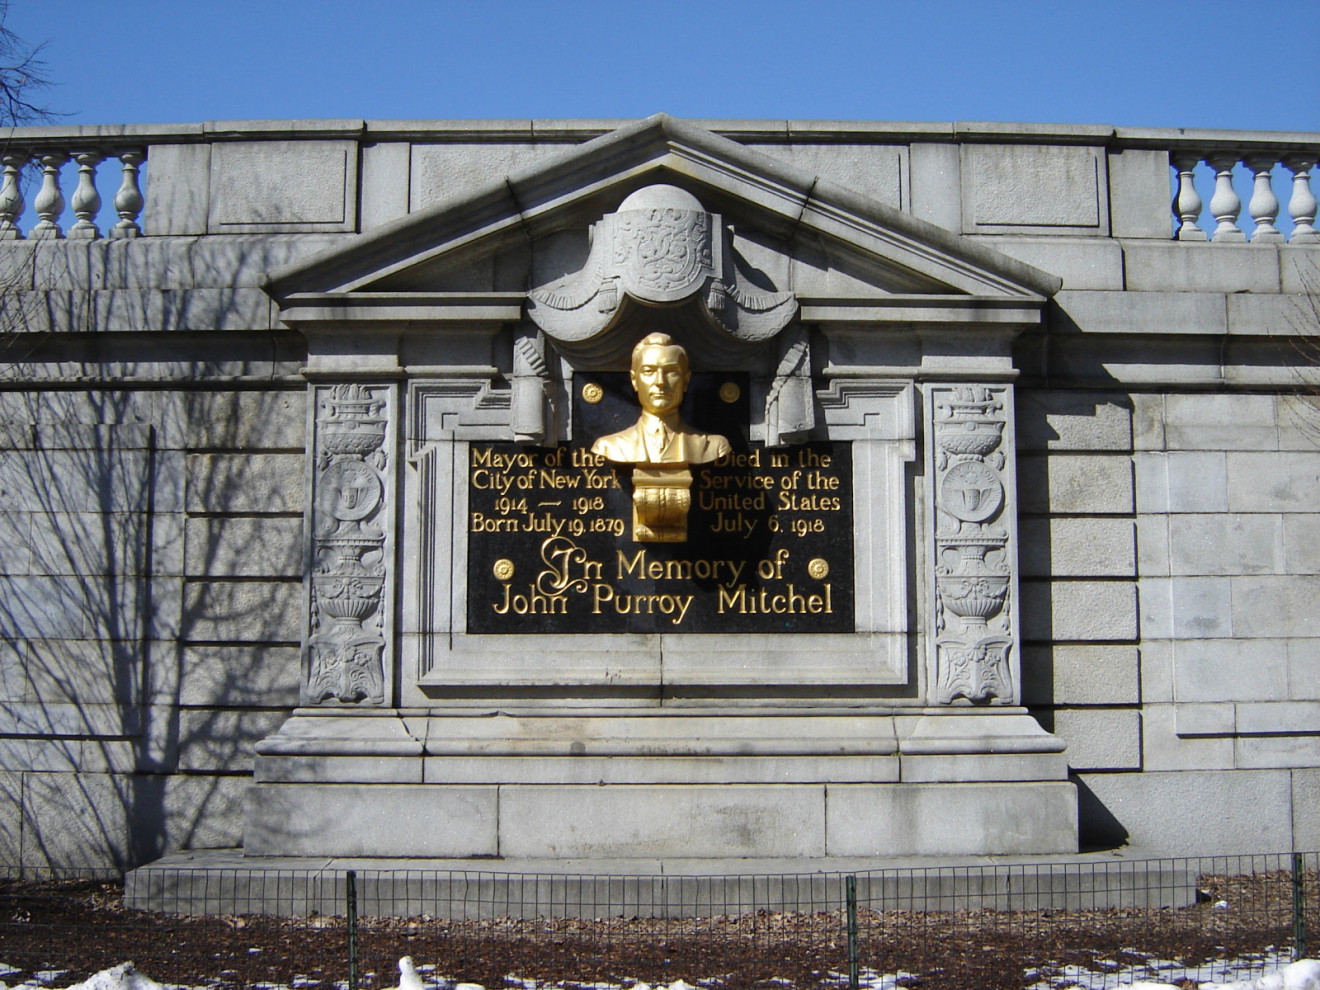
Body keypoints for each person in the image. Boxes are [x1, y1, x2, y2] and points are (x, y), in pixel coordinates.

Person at [592, 333, 731, 465]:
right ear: (634, 380)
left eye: (671, 371)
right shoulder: (609, 446)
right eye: (649, 371)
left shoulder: (714, 446)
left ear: (686, 381)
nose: (660, 382)